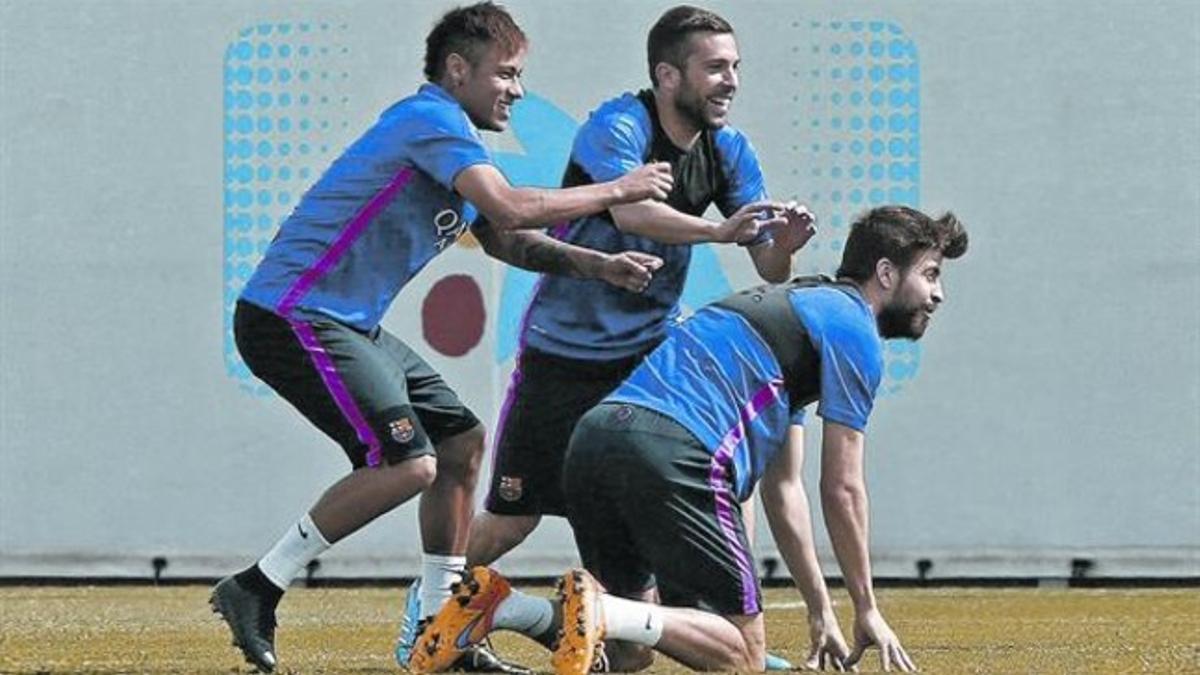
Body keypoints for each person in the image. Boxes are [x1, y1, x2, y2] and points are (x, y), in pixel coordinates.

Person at [208, 3, 675, 673]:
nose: (516, 89)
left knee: (461, 442)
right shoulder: (430, 120)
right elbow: (512, 205)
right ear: (458, 70)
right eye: (505, 74)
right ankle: (257, 584)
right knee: (408, 463)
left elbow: (506, 237)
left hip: (346, 324)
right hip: (292, 314)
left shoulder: (452, 138)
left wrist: (596, 264)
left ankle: (439, 627)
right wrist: (616, 190)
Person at [394, 6, 815, 668]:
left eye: (735, 66)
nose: (730, 80)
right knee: (512, 517)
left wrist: (779, 247)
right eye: (715, 68)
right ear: (667, 75)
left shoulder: (730, 150)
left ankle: (733, 636)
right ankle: (427, 610)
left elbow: (766, 260)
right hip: (564, 354)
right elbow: (631, 209)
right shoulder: (618, 124)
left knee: (715, 494)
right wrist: (716, 233)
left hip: (648, 363)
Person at [410, 205, 969, 674]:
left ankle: (501, 606)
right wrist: (867, 607)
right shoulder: (853, 330)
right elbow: (842, 488)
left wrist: (821, 610)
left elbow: (784, 492)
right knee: (742, 654)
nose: (938, 294)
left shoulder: (795, 317)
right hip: (674, 452)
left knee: (629, 651)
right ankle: (599, 610)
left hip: (595, 441)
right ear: (887, 273)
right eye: (931, 273)